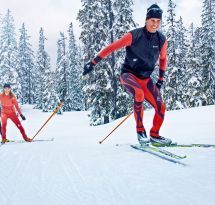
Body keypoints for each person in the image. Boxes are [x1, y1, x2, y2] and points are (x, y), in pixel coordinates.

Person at [83, 4, 172, 145]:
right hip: (129, 75)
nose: (155, 24)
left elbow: (163, 58)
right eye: (152, 21)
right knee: (139, 94)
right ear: (146, 20)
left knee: (161, 107)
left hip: (145, 79)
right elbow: (112, 47)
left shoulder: (161, 40)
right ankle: (140, 131)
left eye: (158, 21)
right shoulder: (134, 36)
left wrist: (160, 79)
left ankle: (155, 135)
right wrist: (93, 63)